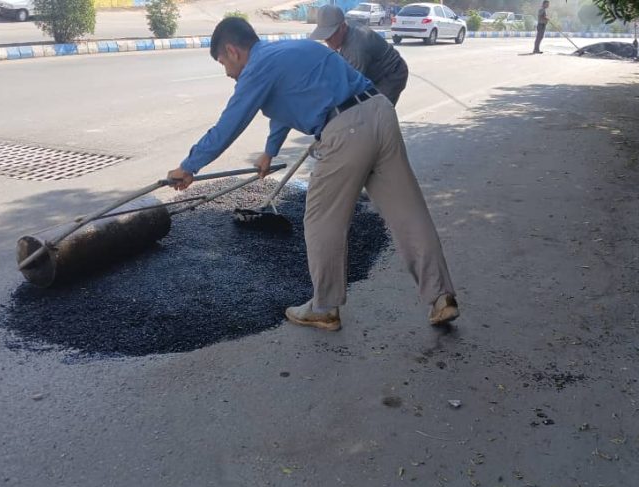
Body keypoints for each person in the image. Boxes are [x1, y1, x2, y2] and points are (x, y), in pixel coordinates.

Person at [166, 18, 459, 331]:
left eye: (223, 62)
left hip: (346, 130)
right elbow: (284, 105)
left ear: (232, 50)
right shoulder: (290, 50)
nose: (226, 71)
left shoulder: (256, 69)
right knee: (408, 213)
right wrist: (270, 151)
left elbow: (229, 125)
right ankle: (441, 296)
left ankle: (324, 307)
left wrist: (189, 166)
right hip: (380, 111)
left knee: (321, 218)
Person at [310, 5, 409, 105]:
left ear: (343, 27)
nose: (328, 41)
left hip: (392, 74)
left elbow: (351, 85)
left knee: (376, 111)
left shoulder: (356, 47)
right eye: (325, 37)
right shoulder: (344, 31)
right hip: (373, 73)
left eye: (331, 36)